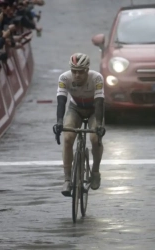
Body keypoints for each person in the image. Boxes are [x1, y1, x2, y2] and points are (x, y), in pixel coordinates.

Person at [53, 52, 106, 197]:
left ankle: (95, 171)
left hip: (94, 110)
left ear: (87, 70)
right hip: (75, 108)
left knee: (95, 139)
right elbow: (61, 101)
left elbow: (99, 102)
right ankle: (67, 178)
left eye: (80, 72)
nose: (76, 75)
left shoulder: (97, 78)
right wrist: (59, 122)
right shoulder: (64, 78)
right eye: (74, 71)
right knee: (68, 137)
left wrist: (99, 125)